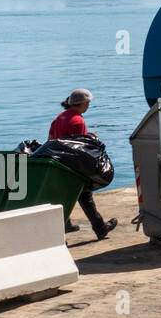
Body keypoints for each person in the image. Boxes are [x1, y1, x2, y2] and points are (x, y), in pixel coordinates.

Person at [49, 89, 117, 240]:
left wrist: (87, 136)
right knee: (85, 195)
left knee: (67, 196)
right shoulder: (77, 120)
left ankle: (67, 224)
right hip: (73, 165)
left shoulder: (60, 117)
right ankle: (101, 229)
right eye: (88, 103)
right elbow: (78, 146)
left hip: (59, 164)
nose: (89, 106)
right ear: (83, 103)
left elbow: (51, 139)